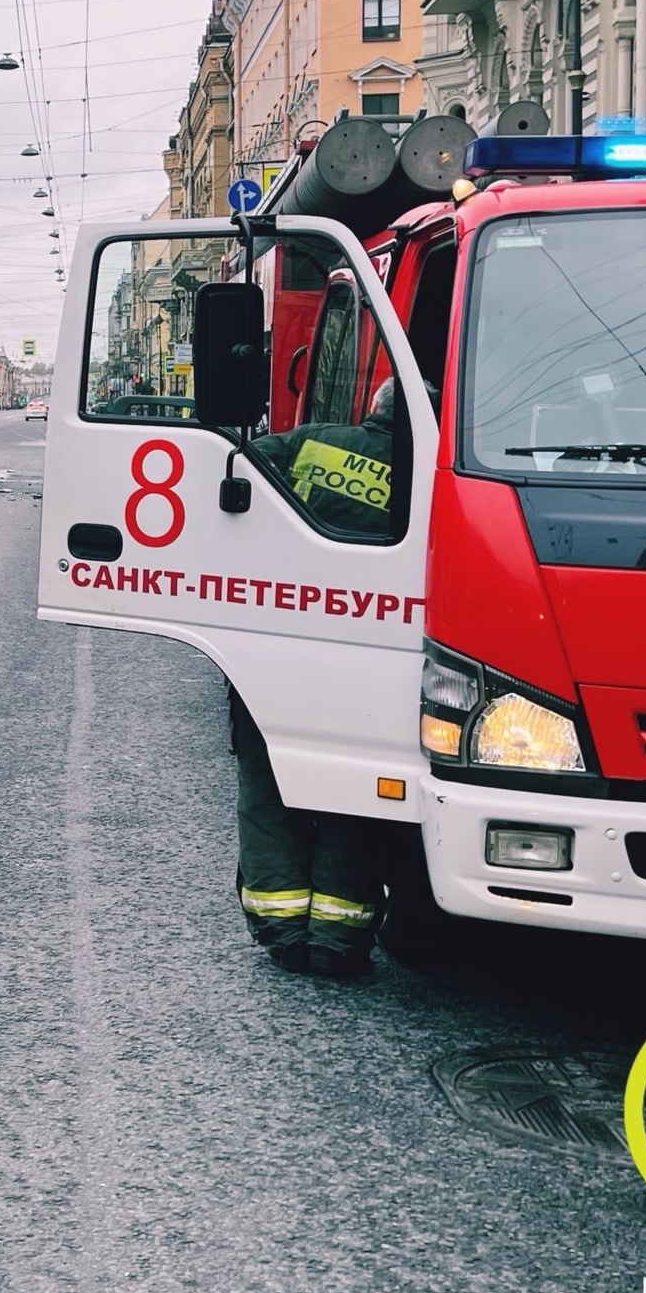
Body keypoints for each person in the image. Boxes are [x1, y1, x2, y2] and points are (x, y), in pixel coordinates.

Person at [230, 379, 404, 976]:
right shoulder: (429, 474)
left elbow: (232, 478)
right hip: (376, 659)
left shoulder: (309, 443)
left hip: (276, 650)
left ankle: (280, 924)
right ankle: (337, 936)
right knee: (355, 795)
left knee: (268, 782)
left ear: (371, 412)